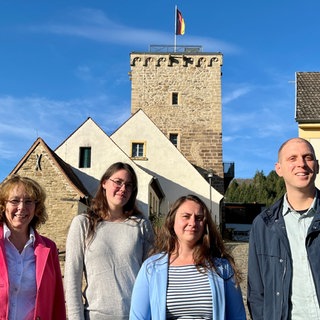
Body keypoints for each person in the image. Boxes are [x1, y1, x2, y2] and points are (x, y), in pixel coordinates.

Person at [130, 194, 246, 320]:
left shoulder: (222, 268)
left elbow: (237, 316)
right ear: (172, 221)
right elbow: (138, 317)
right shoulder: (151, 268)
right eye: (186, 216)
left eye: (199, 218)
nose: (193, 223)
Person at [64, 162, 154, 320]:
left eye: (129, 185)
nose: (123, 188)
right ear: (104, 183)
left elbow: (152, 277)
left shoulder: (141, 225)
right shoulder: (83, 223)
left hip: (135, 316)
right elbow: (72, 281)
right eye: (118, 182)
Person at [247, 137, 320, 319]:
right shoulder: (263, 225)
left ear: (317, 166)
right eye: (292, 158)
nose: (301, 164)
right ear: (279, 169)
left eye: (307, 157)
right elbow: (256, 293)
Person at [0, 175, 66, 320]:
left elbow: (57, 301)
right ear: (3, 205)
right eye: (15, 201)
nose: (22, 207)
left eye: (29, 201)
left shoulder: (48, 248)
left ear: (36, 208)